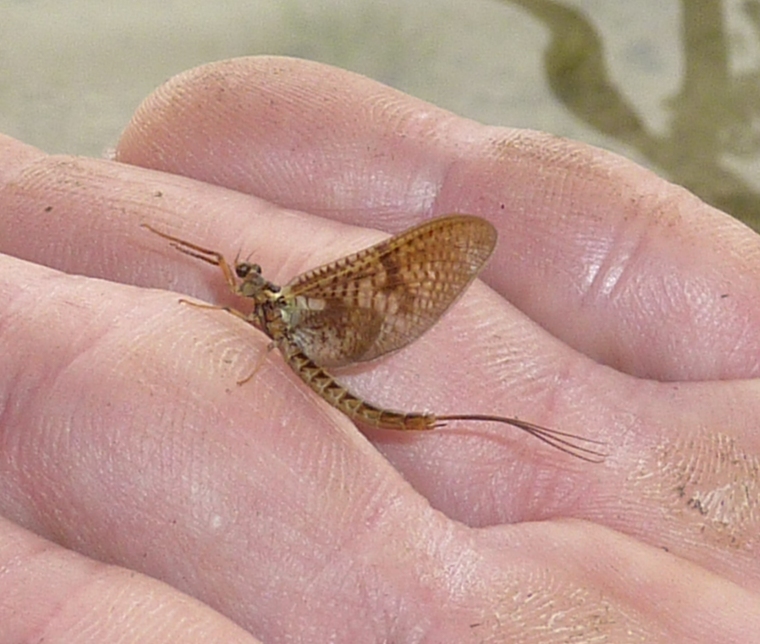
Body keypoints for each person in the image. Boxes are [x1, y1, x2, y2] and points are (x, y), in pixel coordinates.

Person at [1, 56, 758, 643]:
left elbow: (258, 338)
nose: (243, 282)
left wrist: (256, 348)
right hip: (312, 353)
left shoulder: (284, 311)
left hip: (311, 357)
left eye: (246, 279)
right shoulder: (275, 308)